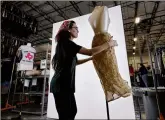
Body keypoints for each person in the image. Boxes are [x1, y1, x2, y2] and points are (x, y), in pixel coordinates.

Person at [50, 20, 117, 120]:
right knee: (66, 114)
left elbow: (76, 62)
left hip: (64, 84)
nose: (78, 30)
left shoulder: (66, 45)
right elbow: (90, 52)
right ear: (68, 30)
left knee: (71, 111)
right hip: (61, 85)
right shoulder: (66, 43)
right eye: (75, 28)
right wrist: (109, 44)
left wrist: (91, 59)